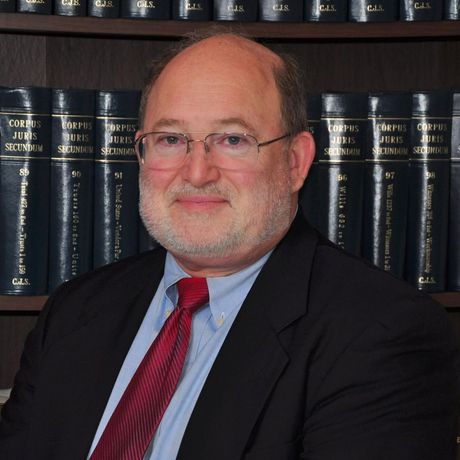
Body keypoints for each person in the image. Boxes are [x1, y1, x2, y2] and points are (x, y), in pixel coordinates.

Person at [0, 31, 459, 460]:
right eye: (170, 139)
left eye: (233, 139)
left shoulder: (383, 334)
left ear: (296, 162)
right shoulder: (75, 310)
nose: (197, 173)